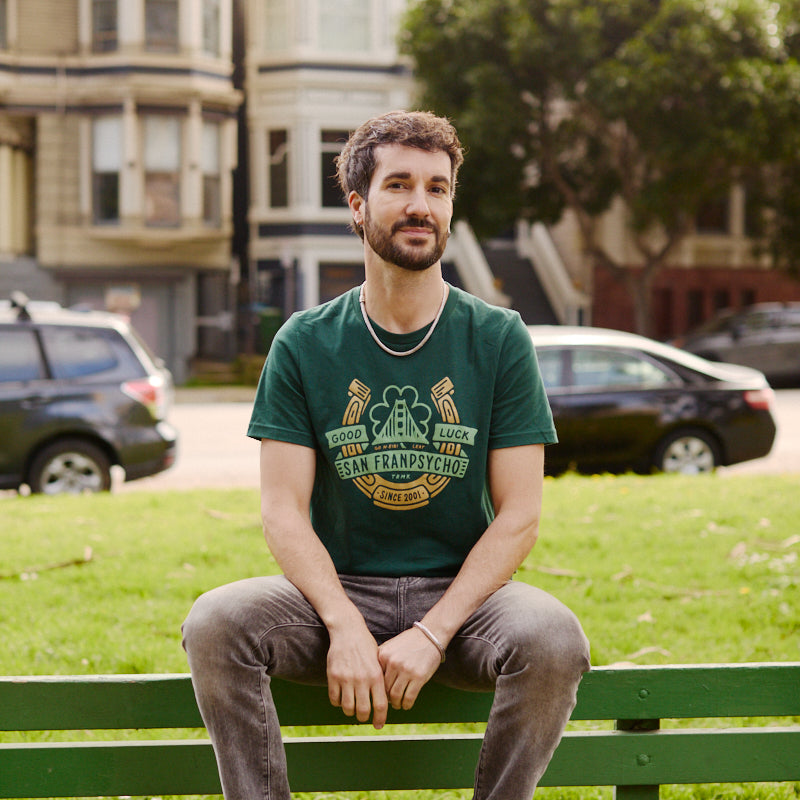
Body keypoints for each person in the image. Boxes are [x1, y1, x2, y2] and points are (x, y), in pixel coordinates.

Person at [182, 110, 590, 800]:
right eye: (399, 185)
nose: (419, 205)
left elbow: (519, 516)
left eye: (437, 187)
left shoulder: (497, 338)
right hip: (334, 595)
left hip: (465, 603)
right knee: (217, 623)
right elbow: (282, 512)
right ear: (358, 204)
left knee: (553, 639)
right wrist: (341, 623)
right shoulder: (305, 342)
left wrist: (433, 632)